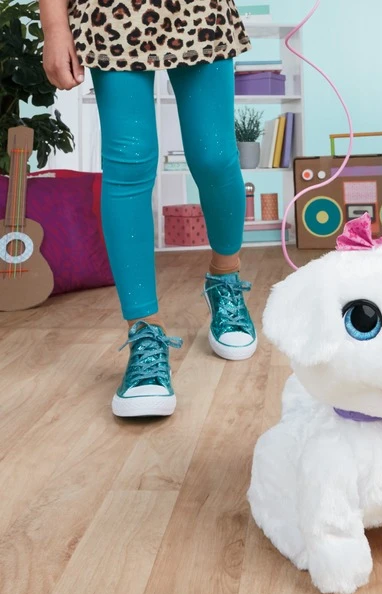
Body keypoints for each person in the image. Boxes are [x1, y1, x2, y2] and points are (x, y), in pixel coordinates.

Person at [40, 0, 257, 418]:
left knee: (215, 157)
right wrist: (54, 26)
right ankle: (144, 334)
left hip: (199, 9)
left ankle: (225, 280)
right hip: (111, 10)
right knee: (128, 164)